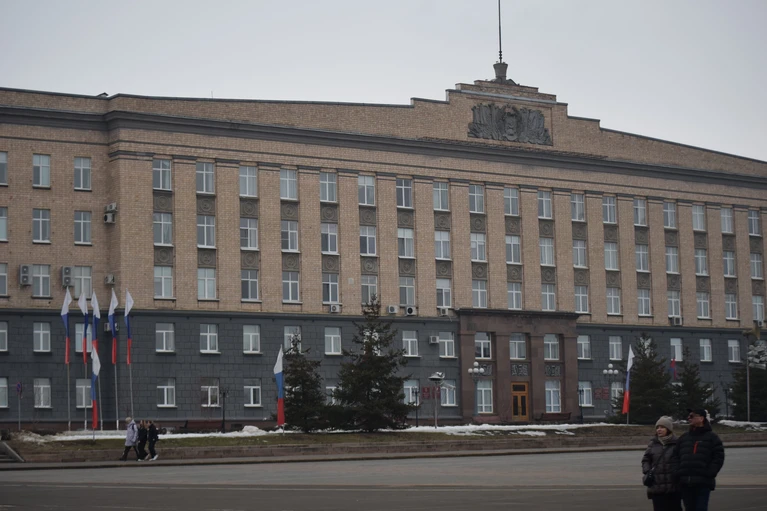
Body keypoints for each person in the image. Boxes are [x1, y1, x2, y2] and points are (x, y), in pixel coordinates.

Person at [672, 408, 725, 511]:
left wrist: (710, 472)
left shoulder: (712, 437)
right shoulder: (684, 437)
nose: (689, 418)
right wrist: (677, 472)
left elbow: (718, 457)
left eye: (692, 416)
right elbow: (675, 456)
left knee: (701, 508)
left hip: (703, 482)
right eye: (688, 416)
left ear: (701, 418)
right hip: (685, 482)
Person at [641, 416, 681, 511]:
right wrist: (647, 471)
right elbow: (646, 459)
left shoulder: (677, 443)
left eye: (662, 427)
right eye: (657, 427)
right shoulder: (653, 443)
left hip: (673, 486)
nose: (659, 429)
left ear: (668, 429)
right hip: (657, 486)